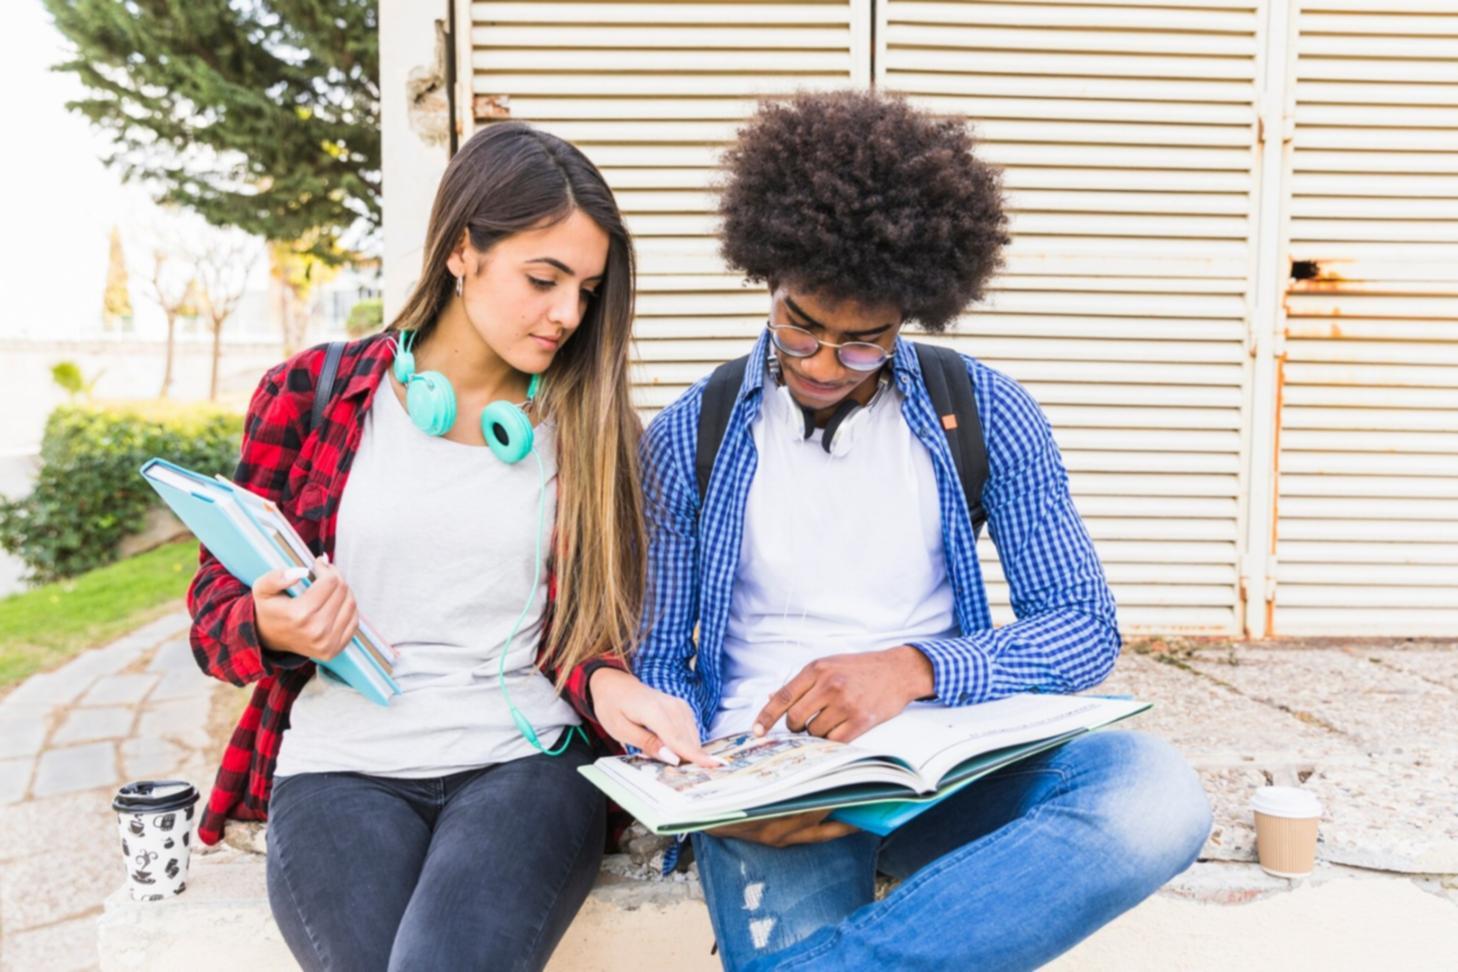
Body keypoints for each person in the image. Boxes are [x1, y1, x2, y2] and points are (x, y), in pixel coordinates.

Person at [634, 90, 1213, 970]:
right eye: (800, 327)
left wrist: (914, 669)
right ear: (768, 280)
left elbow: (1083, 626)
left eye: (863, 342)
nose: (825, 365)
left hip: (940, 771)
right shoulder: (692, 434)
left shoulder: (984, 411)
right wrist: (709, 791)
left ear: (911, 312)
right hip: (774, 792)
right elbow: (656, 659)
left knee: (1155, 795)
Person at [186, 121, 708, 971]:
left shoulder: (591, 432)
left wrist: (609, 681)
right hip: (337, 766)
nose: (568, 314)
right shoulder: (309, 394)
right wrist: (271, 625)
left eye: (586, 289)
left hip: (525, 766)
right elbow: (214, 618)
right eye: (543, 279)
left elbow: (583, 635)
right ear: (463, 250)